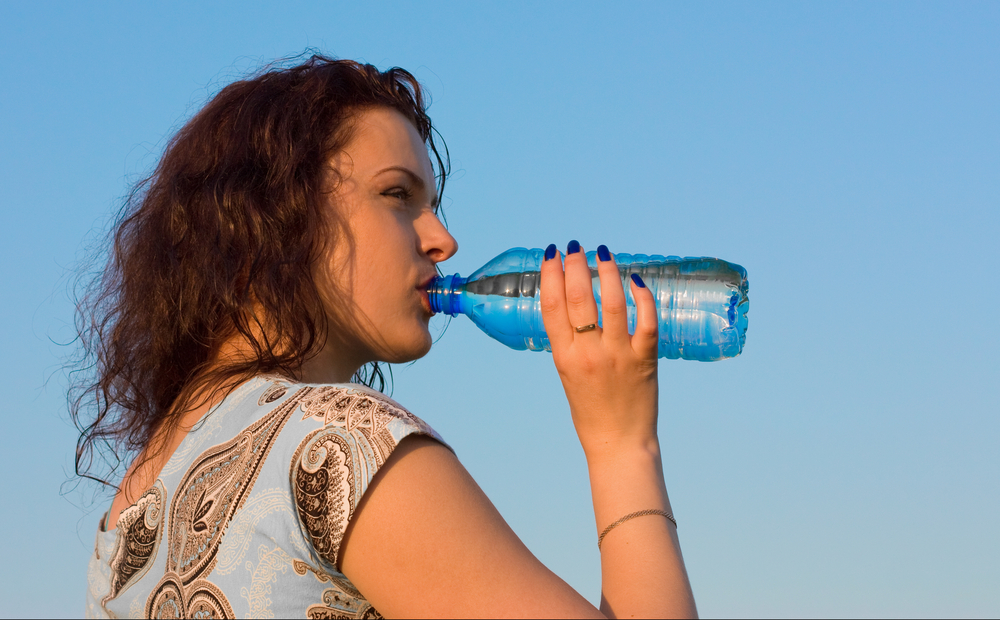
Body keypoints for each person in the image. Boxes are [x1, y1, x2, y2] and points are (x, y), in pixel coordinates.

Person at [73, 55, 698, 618]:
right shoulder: (337, 441)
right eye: (397, 195)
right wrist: (622, 443)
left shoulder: (128, 517)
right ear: (274, 213)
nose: (443, 241)